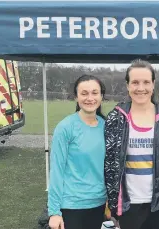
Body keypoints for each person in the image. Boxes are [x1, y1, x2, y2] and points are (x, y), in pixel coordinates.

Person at [104, 59, 159, 229]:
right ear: (127, 85)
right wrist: (112, 202)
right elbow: (109, 163)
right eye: (135, 82)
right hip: (128, 206)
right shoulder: (116, 117)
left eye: (146, 82)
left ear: (153, 84)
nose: (140, 88)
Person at [48, 74, 107, 229]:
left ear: (101, 96)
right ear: (76, 97)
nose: (90, 98)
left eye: (95, 93)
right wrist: (54, 212)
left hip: (98, 204)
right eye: (84, 93)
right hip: (71, 205)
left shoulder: (107, 126)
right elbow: (56, 171)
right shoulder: (65, 128)